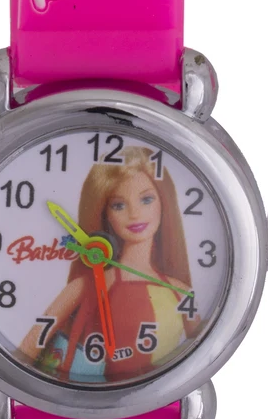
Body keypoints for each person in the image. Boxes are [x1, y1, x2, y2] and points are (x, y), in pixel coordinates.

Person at [20, 146, 199, 381]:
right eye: (118, 205)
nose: (134, 214)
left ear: (164, 202)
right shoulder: (86, 285)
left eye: (146, 199)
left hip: (163, 392)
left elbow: (201, 352)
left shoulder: (180, 292)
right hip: (82, 394)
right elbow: (27, 349)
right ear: (106, 213)